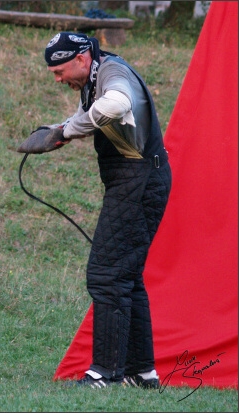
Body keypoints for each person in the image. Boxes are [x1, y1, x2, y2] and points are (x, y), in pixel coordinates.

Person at [41, 32, 172, 388]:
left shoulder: (113, 74)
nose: (57, 79)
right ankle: (141, 373)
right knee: (127, 277)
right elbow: (92, 111)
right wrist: (58, 131)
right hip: (138, 181)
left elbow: (114, 105)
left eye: (60, 71)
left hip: (140, 181)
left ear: (82, 58)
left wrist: (68, 130)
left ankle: (105, 374)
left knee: (106, 275)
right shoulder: (96, 74)